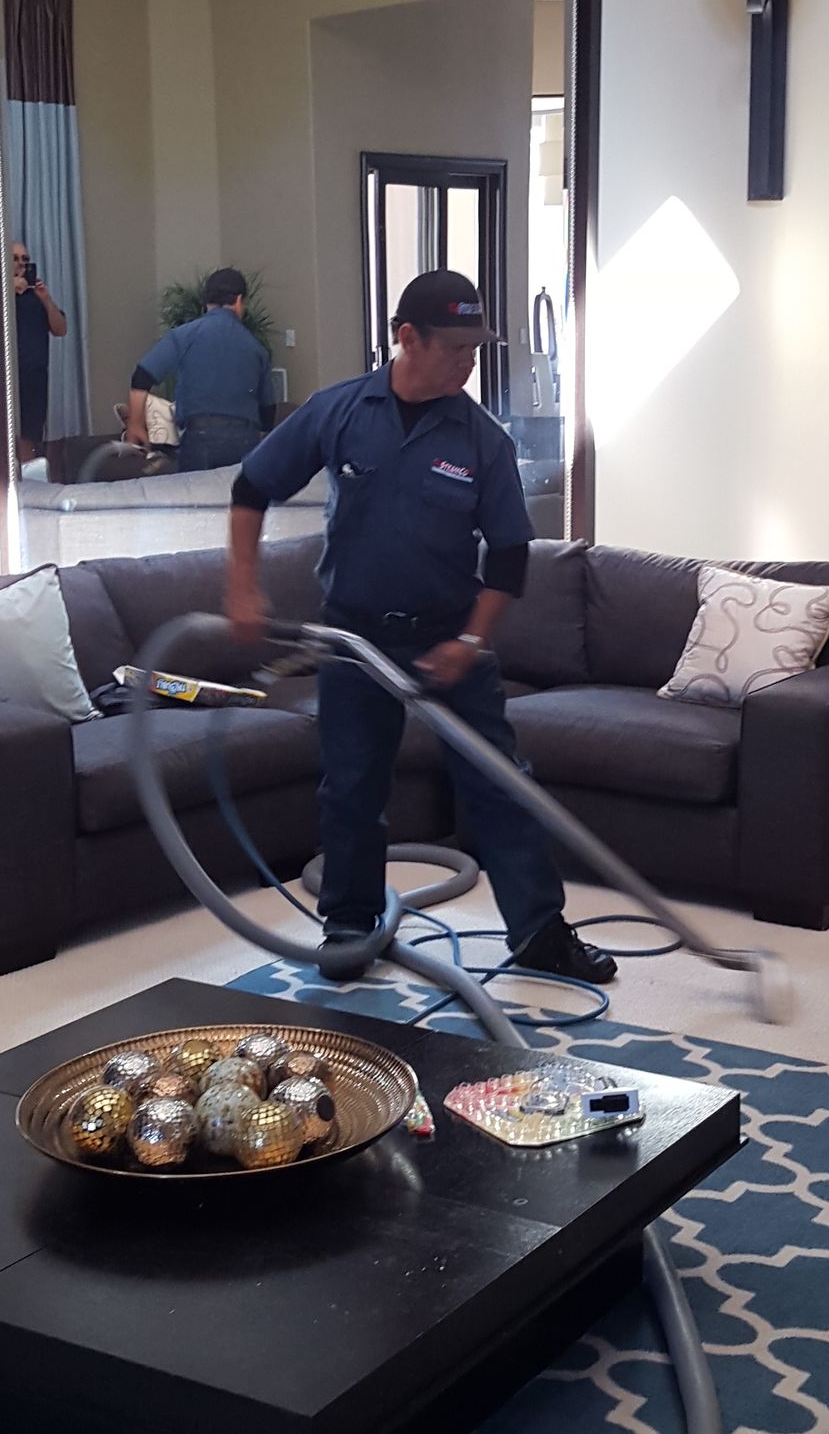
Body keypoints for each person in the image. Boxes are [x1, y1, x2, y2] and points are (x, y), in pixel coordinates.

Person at [227, 267, 616, 988]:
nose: (469, 364)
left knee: (500, 785)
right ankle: (347, 927)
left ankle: (537, 932)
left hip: (449, 641)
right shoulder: (337, 411)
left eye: (476, 350)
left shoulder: (480, 440)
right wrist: (242, 586)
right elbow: (251, 486)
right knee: (350, 789)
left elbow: (506, 559)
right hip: (354, 639)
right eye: (456, 349)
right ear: (407, 337)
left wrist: (470, 642)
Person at [128, 267, 275, 474]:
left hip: (200, 437)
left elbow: (142, 376)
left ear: (206, 302)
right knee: (238, 500)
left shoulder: (184, 335)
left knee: (197, 501)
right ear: (240, 301)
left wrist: (136, 424)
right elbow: (267, 410)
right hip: (245, 440)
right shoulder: (256, 347)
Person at [10, 239, 67, 465]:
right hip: (8, 375)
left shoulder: (38, 297)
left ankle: (29, 482)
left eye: (25, 259)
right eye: (15, 259)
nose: (21, 264)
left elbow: (61, 329)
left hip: (35, 375)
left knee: (30, 434)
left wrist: (46, 299)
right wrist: (9, 291)